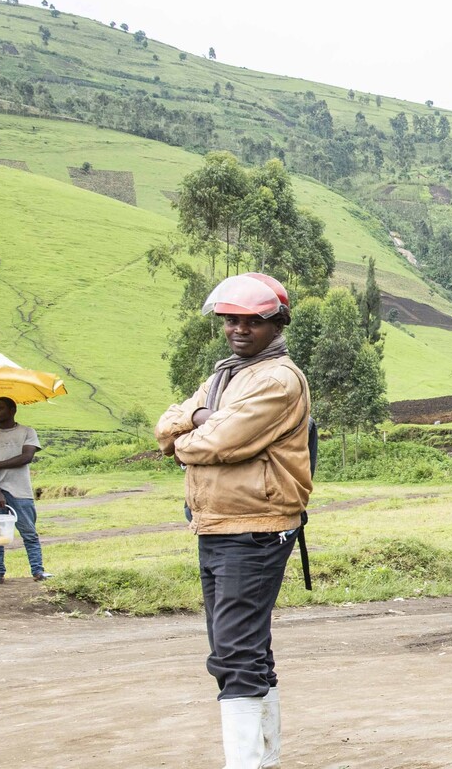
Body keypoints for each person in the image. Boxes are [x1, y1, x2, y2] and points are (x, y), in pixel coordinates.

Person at [155, 272, 313, 769]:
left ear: (277, 324)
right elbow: (167, 422)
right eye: (231, 320)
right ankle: (263, 759)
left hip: (256, 527)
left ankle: (245, 763)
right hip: (219, 523)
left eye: (253, 321)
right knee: (245, 647)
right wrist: (200, 419)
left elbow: (216, 442)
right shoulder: (225, 374)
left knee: (235, 653)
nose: (239, 329)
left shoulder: (276, 378)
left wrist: (197, 426)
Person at [0, 396, 50, 584]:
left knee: (29, 533)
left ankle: (38, 571)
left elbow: (26, 457)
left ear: (12, 410)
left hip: (21, 491)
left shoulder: (27, 432)